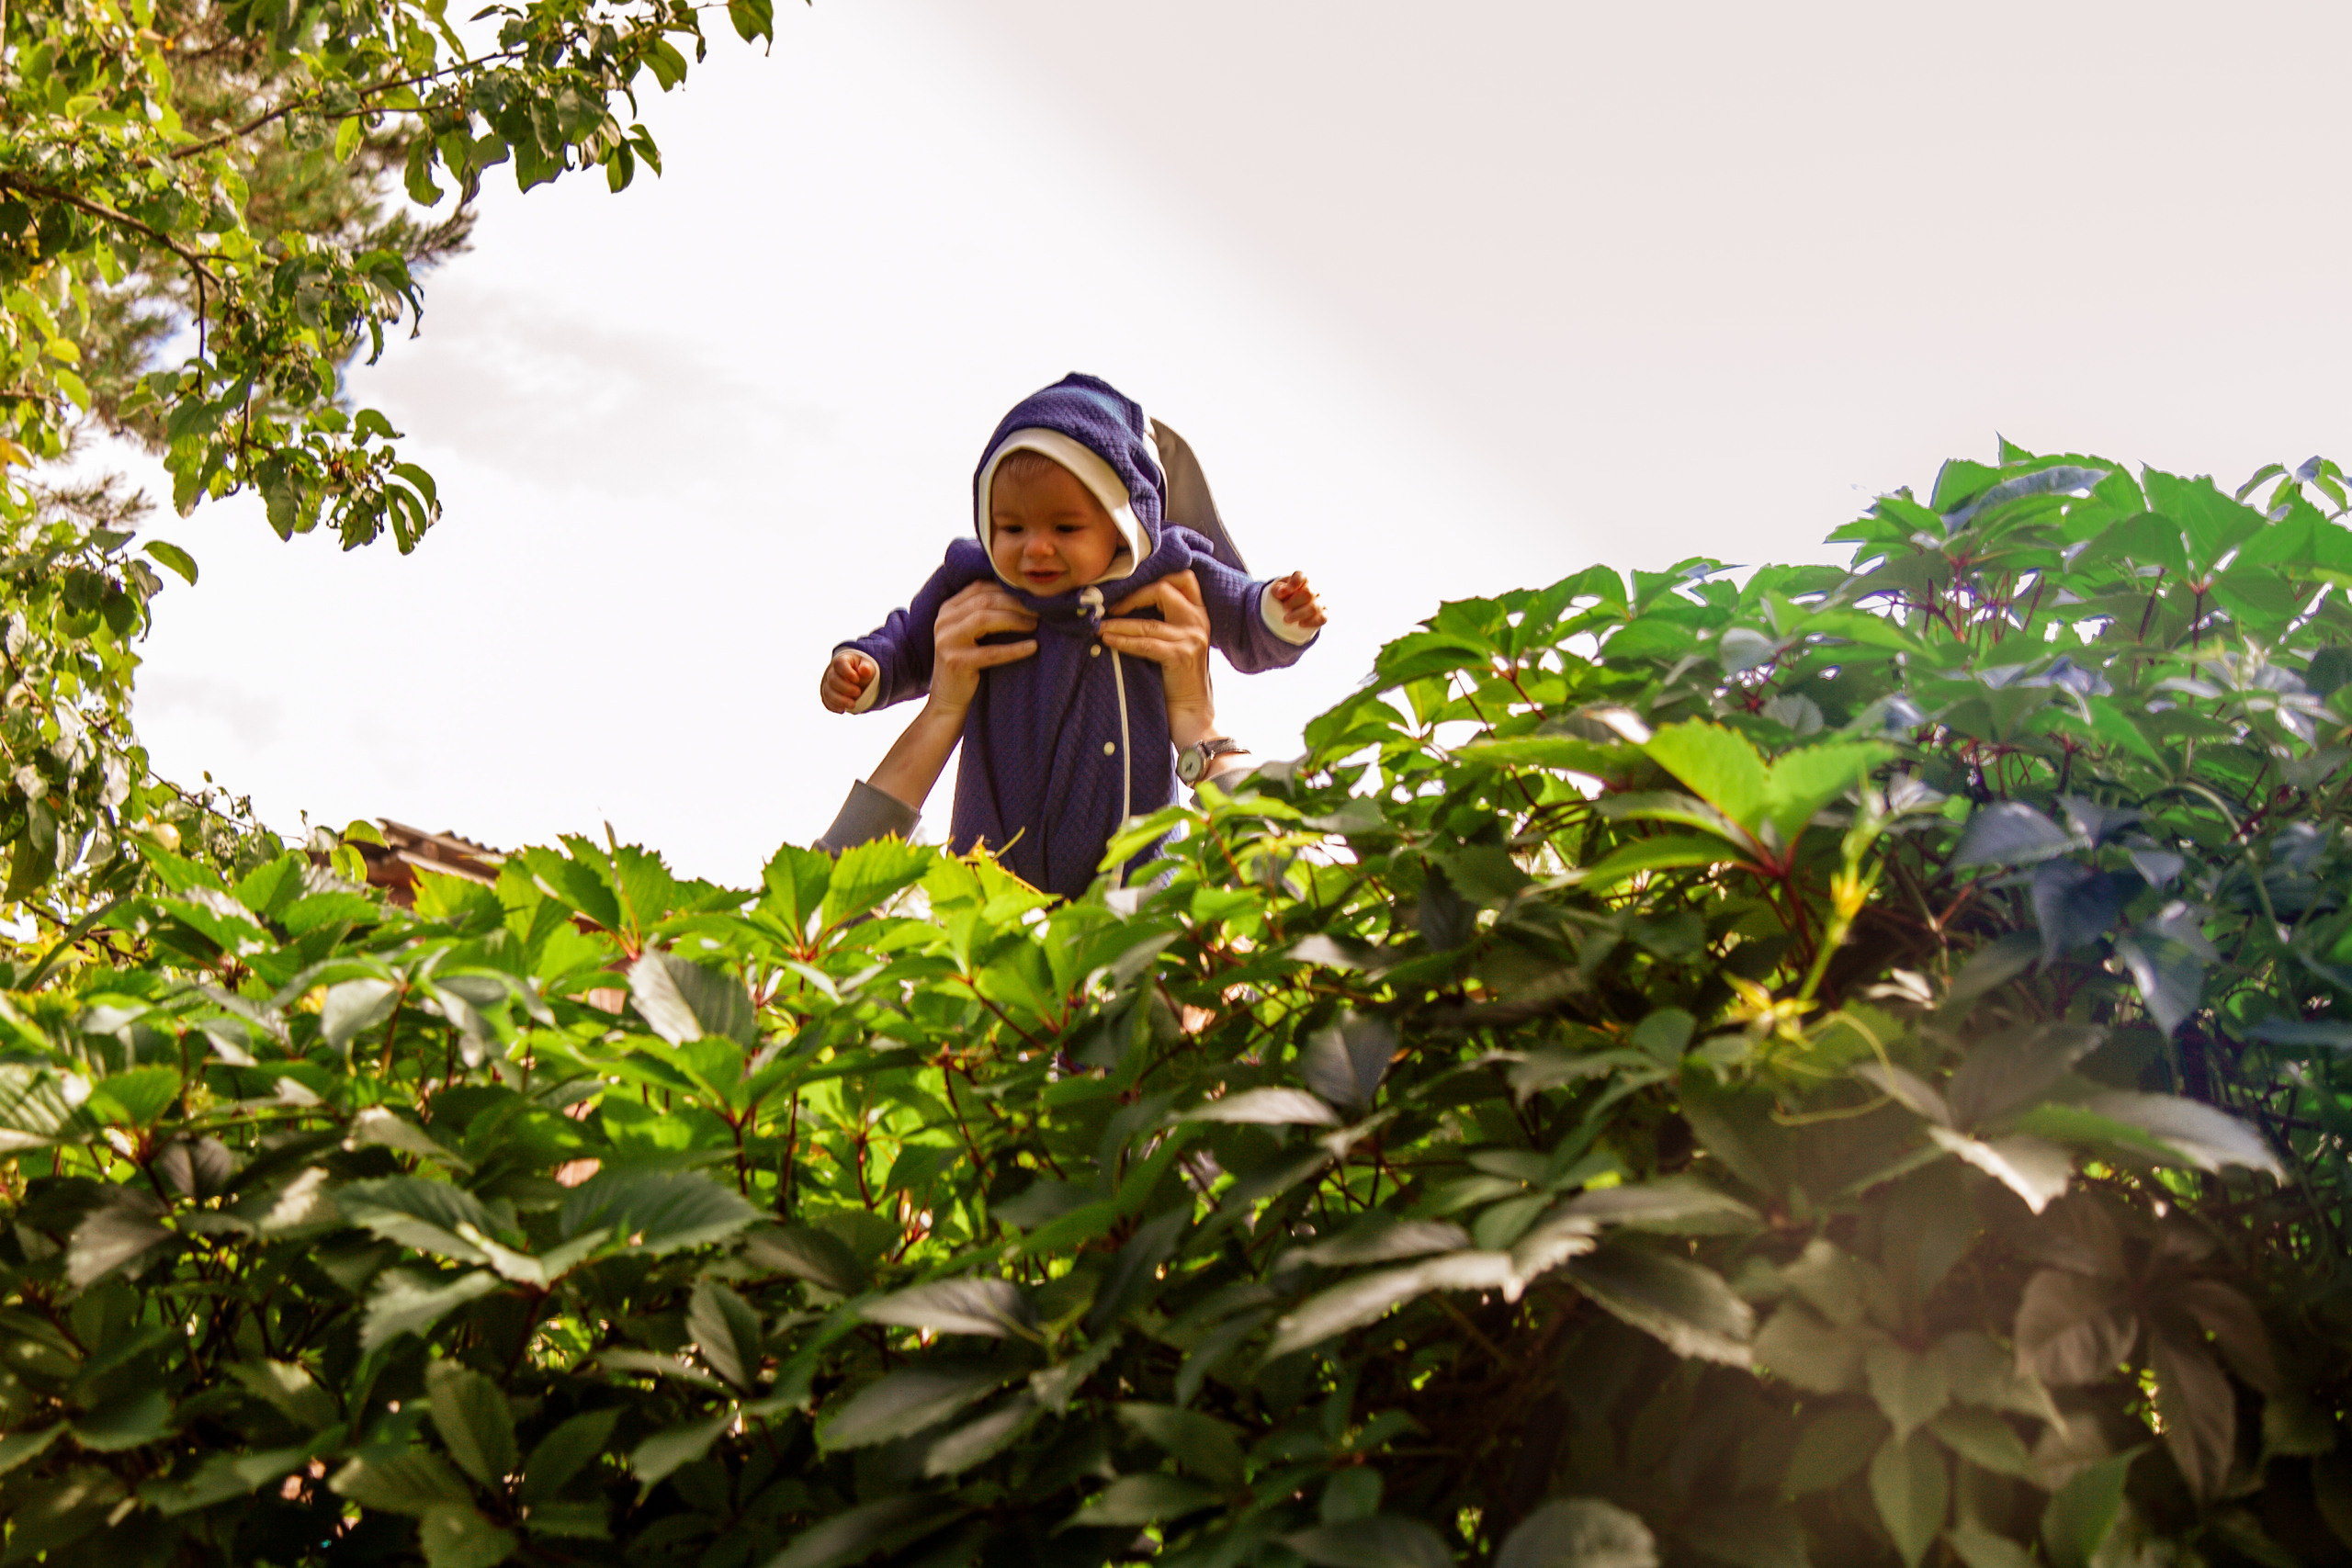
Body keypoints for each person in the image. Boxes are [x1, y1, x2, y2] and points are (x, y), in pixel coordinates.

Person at [815, 374, 1324, 897]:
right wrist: (867, 668)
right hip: (994, 872)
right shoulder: (973, 582)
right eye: (1011, 528)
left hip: (1132, 887)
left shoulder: (1168, 571)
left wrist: (1278, 611)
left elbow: (1240, 611)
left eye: (1065, 528)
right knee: (988, 899)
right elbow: (910, 641)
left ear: (1125, 523)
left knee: (1147, 897)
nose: (1035, 548)